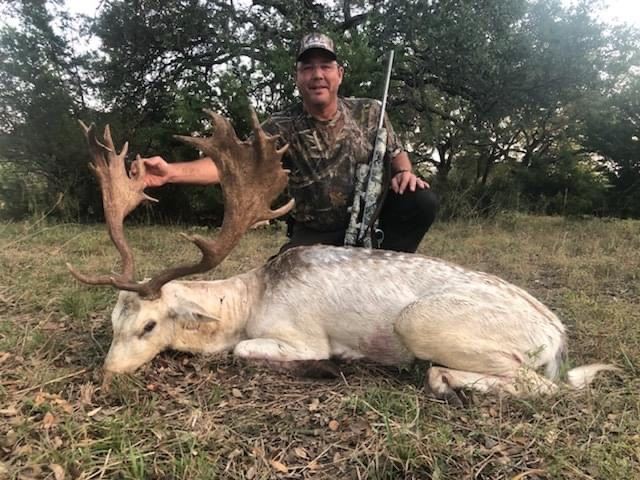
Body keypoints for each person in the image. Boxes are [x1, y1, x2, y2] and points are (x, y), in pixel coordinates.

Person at [139, 33, 439, 253]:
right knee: (281, 289)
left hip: (371, 222)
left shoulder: (371, 111)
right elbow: (234, 165)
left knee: (421, 200)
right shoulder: (280, 126)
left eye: (325, 66)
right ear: (297, 77)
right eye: (307, 68)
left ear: (339, 74)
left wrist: (404, 173)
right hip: (315, 234)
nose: (317, 75)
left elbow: (396, 153)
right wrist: (171, 173)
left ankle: (387, 266)